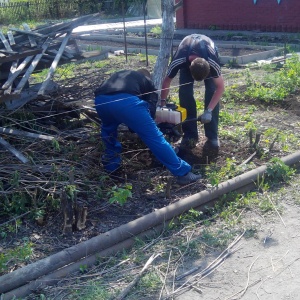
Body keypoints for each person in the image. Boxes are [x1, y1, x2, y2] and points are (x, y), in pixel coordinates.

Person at [94, 68, 202, 185]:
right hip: (127, 104)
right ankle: (183, 173)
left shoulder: (120, 74)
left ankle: (111, 167)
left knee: (109, 132)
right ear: (147, 77)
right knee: (155, 138)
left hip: (101, 101)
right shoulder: (147, 83)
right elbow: (151, 111)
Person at [161, 34, 225, 149]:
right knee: (185, 92)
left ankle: (212, 136)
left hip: (207, 54)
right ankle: (190, 134)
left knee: (211, 90)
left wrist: (209, 111)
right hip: (187, 57)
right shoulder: (179, 60)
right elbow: (167, 82)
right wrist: (162, 103)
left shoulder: (212, 62)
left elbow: (220, 87)